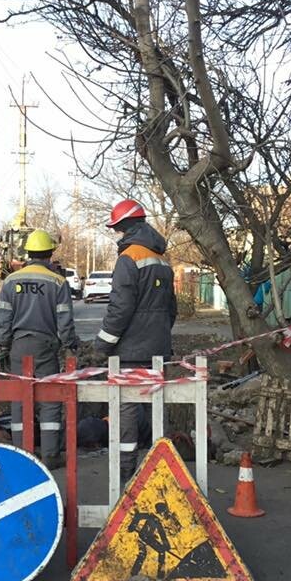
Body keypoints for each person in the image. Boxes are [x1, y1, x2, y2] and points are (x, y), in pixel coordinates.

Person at [94, 199, 177, 481]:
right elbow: (171, 309)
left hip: (130, 351)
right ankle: (162, 469)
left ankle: (127, 473)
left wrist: (103, 344)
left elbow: (120, 308)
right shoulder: (162, 260)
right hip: (158, 349)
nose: (117, 234)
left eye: (117, 229)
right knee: (157, 406)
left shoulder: (129, 258)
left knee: (126, 409)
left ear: (125, 227)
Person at [0, 229, 80, 469]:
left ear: (28, 253)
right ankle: (51, 455)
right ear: (50, 253)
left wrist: (3, 346)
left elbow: (3, 318)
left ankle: (23, 455)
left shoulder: (11, 281)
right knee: (50, 400)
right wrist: (70, 347)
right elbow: (64, 321)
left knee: (19, 400)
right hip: (46, 346)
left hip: (18, 347)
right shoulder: (58, 282)